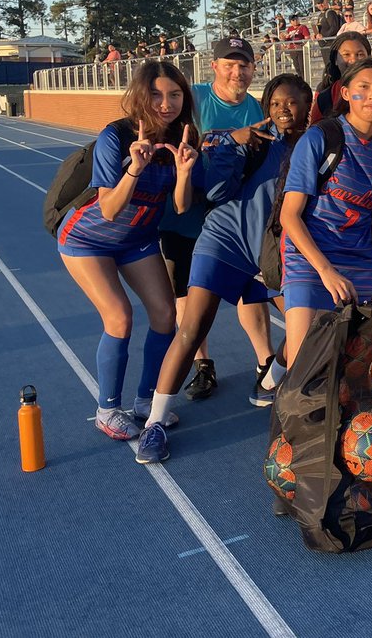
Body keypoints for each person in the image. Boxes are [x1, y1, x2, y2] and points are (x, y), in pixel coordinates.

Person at [134, 75, 313, 463]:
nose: (284, 109)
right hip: (225, 239)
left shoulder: (313, 147)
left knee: (310, 324)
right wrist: (233, 144)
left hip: (270, 251)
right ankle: (155, 424)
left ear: (307, 107)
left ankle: (270, 378)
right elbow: (216, 193)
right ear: (266, 107)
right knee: (193, 326)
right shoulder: (250, 142)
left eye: (293, 103)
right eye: (277, 102)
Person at [56, 61, 199, 441]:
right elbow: (107, 208)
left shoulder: (183, 139)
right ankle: (107, 409)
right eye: (155, 94)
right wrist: (134, 168)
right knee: (119, 318)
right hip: (88, 240)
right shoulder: (116, 137)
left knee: (166, 315)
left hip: (137, 239)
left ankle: (145, 401)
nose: (165, 103)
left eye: (174, 95)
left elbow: (182, 206)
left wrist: (183, 173)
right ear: (140, 95)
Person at [279, 58, 372, 365]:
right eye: (364, 88)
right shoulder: (321, 137)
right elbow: (289, 215)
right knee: (304, 365)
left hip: (359, 260)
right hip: (310, 258)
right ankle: (278, 377)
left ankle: (274, 375)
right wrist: (325, 270)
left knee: (353, 368)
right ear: (346, 93)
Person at [166, 36, 268, 402]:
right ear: (214, 65)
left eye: (244, 65)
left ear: (253, 69)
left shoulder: (257, 108)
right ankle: (202, 365)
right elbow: (181, 138)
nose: (237, 71)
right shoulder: (192, 99)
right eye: (229, 64)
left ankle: (265, 362)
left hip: (232, 216)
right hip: (187, 212)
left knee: (251, 292)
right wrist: (230, 137)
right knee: (186, 295)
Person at [309, 32, 371, 124]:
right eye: (346, 54)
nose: (353, 60)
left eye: (360, 54)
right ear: (335, 60)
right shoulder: (325, 97)